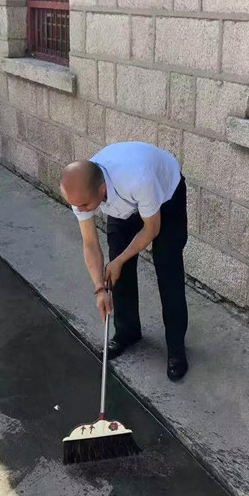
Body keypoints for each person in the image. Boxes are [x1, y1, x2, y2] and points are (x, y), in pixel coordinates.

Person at [60, 141, 189, 382]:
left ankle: (176, 348)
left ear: (101, 189)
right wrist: (100, 289)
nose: (81, 209)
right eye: (76, 205)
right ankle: (127, 332)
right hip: (124, 201)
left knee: (167, 267)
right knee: (116, 269)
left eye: (85, 205)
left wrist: (119, 261)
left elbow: (151, 229)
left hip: (165, 196)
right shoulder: (80, 192)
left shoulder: (138, 178)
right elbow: (90, 243)